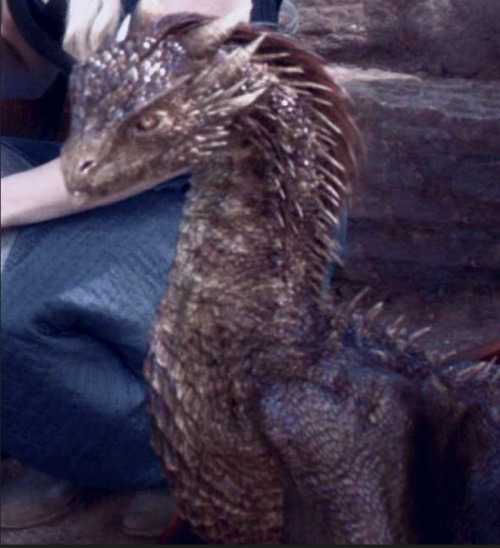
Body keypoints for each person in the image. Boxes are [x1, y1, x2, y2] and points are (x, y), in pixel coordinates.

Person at [1, 0, 284, 537]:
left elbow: (157, 142)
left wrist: (5, 203)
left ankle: (163, 457)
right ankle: (49, 429)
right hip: (105, 167)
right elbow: (25, 67)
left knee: (14, 312)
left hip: (227, 197)